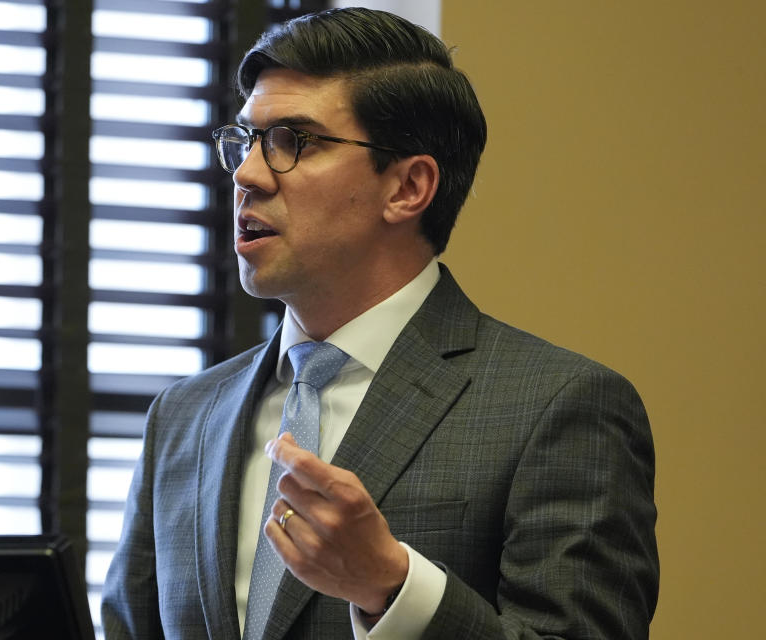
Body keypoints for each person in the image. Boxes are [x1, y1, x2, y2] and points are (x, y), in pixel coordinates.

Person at [101, 7, 658, 640]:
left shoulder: (560, 407)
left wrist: (393, 588)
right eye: (246, 142)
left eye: (294, 142)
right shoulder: (184, 416)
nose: (248, 176)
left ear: (408, 187)